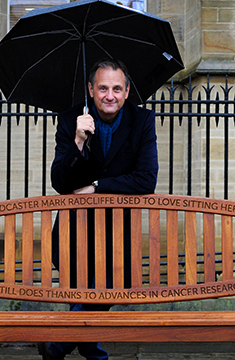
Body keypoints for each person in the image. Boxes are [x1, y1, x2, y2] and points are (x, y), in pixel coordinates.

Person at [40, 59, 158, 360]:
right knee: (86, 293)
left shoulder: (142, 121)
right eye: (103, 88)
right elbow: (59, 181)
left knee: (111, 285)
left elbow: (146, 178)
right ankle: (93, 353)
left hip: (118, 231)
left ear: (127, 91)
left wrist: (96, 185)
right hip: (75, 230)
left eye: (117, 88)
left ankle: (57, 346)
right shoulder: (71, 121)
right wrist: (78, 140)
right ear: (91, 90)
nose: (110, 95)